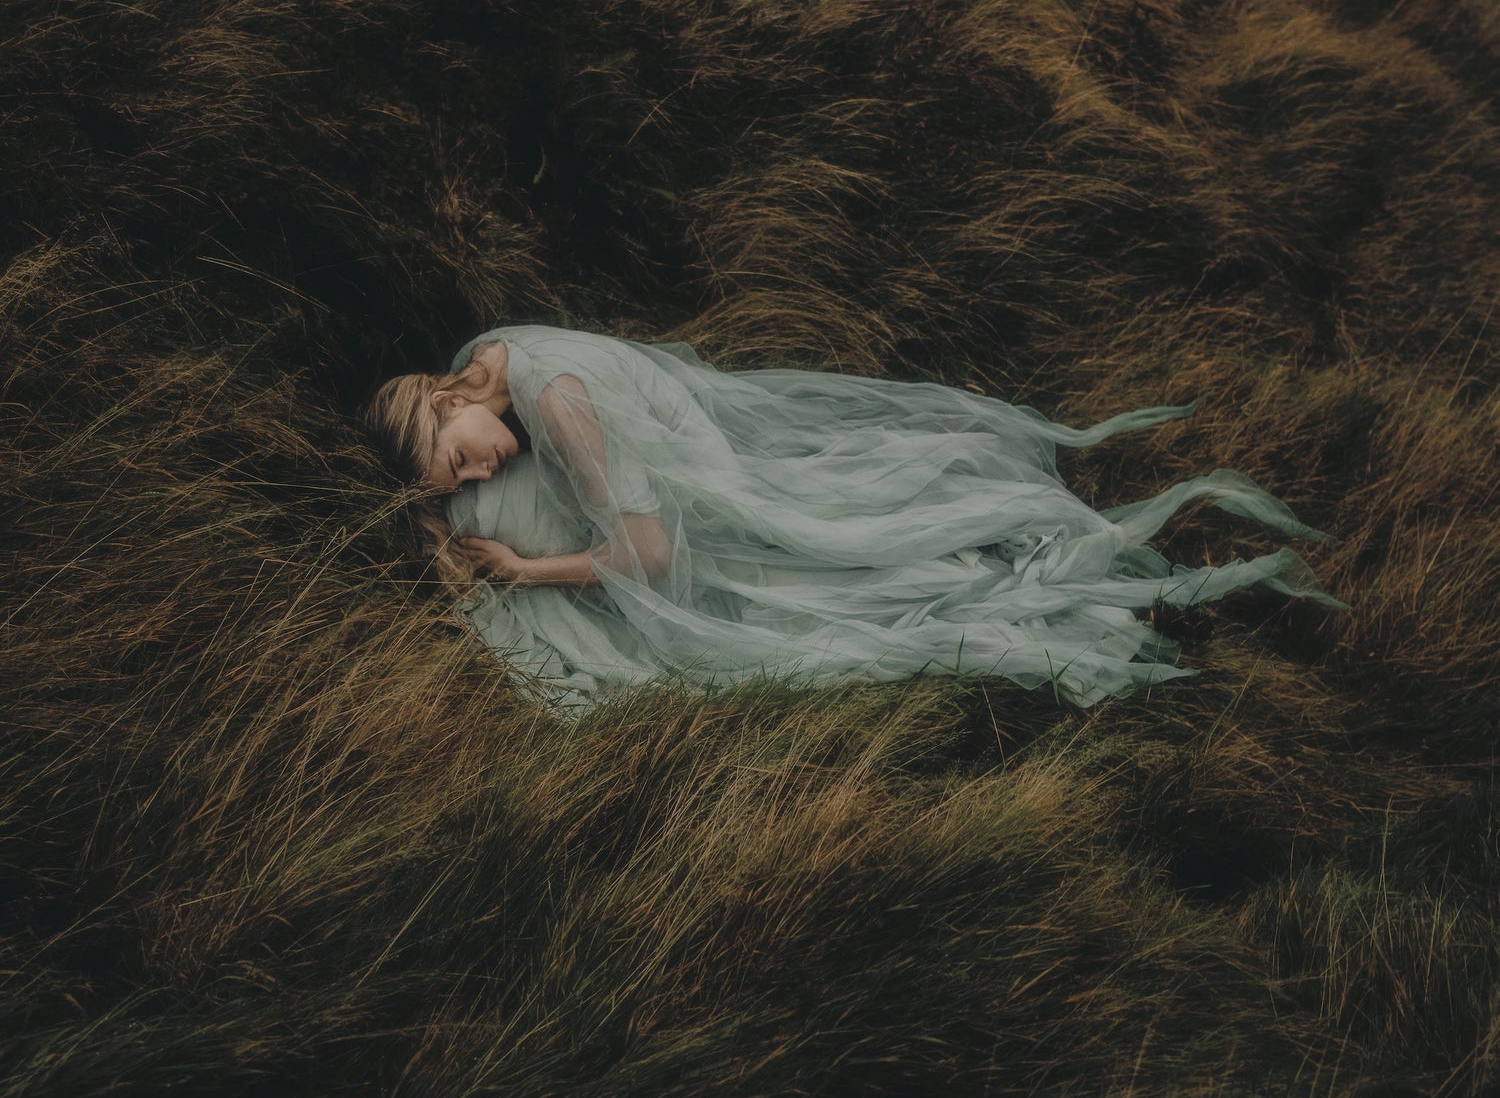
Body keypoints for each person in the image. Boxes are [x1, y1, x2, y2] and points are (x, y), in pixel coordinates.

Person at [363, 322, 1348, 711]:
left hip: (692, 482)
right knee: (851, 518)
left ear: (448, 401)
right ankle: (990, 538)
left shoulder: (561, 415)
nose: (476, 470)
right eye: (459, 482)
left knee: (830, 569)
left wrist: (528, 572)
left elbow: (651, 554)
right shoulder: (489, 345)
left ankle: (1006, 561)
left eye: (459, 459)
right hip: (667, 428)